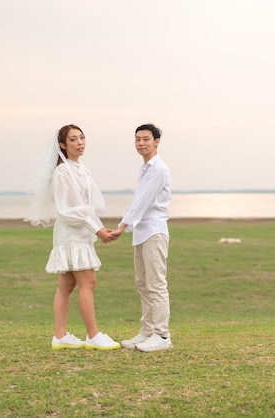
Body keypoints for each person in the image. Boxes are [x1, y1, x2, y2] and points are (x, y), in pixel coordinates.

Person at [25, 124, 121, 351]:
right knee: (88, 281)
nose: (80, 142)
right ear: (62, 145)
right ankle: (93, 335)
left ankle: (60, 336)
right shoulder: (62, 173)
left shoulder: (81, 169)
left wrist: (98, 227)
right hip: (70, 235)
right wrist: (96, 229)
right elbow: (68, 210)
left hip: (80, 233)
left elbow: (89, 207)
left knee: (67, 284)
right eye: (73, 139)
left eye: (82, 138)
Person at [112, 123, 172, 352]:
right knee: (142, 284)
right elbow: (138, 202)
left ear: (157, 141)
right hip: (141, 233)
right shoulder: (144, 169)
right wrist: (126, 227)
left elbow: (142, 203)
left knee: (156, 284)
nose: (141, 143)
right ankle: (147, 331)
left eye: (146, 139)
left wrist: (121, 227)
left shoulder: (159, 169)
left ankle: (162, 335)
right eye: (138, 139)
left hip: (154, 231)